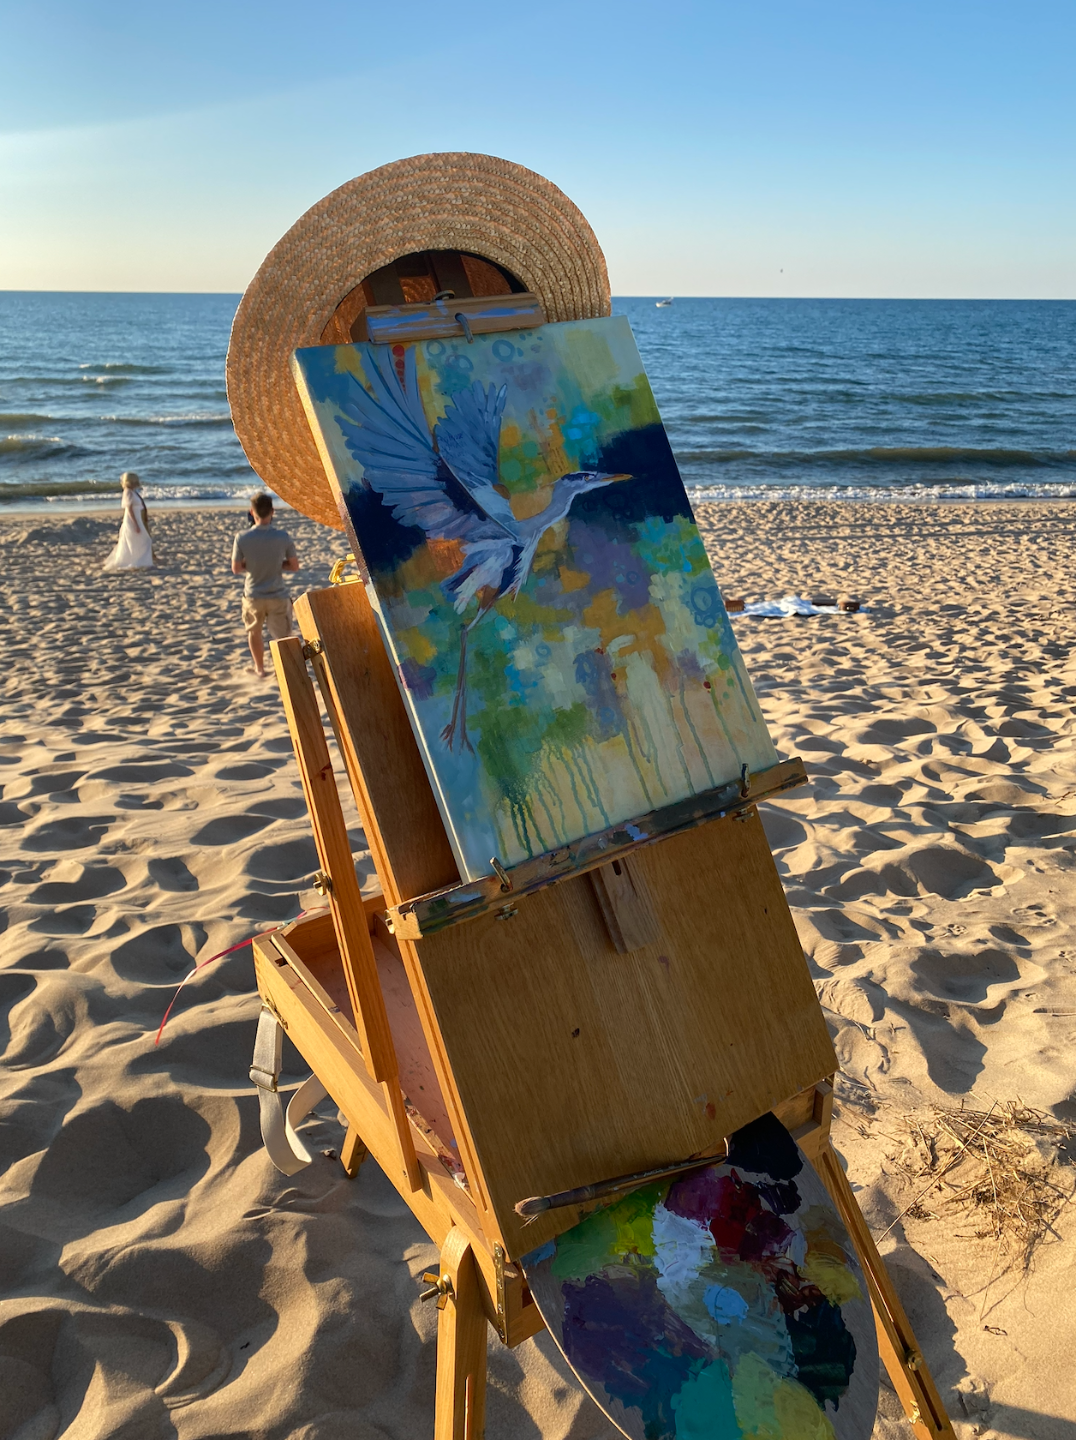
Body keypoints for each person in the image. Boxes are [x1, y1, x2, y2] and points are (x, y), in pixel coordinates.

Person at [231, 493, 299, 677]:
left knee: (254, 632)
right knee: (282, 636)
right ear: (272, 512)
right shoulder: (282, 537)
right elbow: (294, 566)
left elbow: (236, 568)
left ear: (252, 512)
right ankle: (282, 670)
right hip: (277, 593)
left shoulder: (242, 537)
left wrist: (253, 565)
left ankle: (259, 668)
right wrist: (277, 564)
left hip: (253, 593)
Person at [103, 472, 153, 570]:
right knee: (143, 539)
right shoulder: (128, 492)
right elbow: (129, 510)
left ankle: (141, 561)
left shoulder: (132, 492)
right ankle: (136, 561)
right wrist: (135, 524)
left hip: (137, 518)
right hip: (132, 520)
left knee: (141, 540)